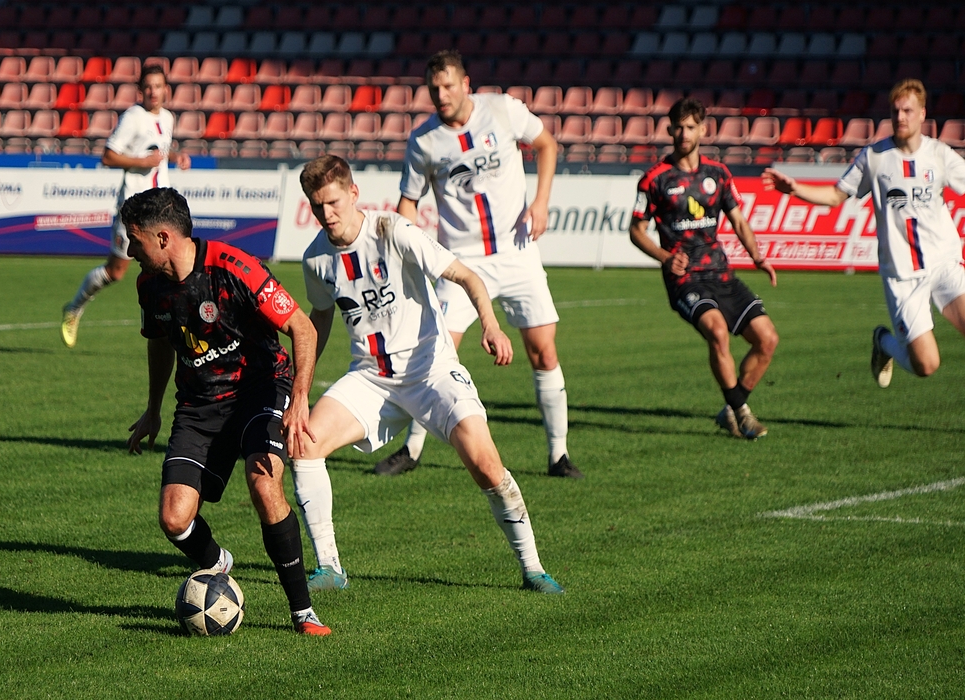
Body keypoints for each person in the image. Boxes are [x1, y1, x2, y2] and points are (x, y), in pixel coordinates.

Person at [291, 155, 565, 595]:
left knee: (486, 465)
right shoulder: (315, 259)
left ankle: (533, 569)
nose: (326, 214)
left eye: (333, 202)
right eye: (317, 205)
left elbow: (466, 276)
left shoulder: (392, 231)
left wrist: (491, 325)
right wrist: (299, 392)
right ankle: (330, 568)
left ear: (354, 193)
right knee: (304, 442)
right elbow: (318, 320)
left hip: (431, 371)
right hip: (371, 378)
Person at [123, 187, 329, 635]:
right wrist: (153, 408)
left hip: (261, 390)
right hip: (199, 404)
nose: (128, 251)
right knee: (174, 518)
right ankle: (218, 563)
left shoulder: (234, 267)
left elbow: (303, 328)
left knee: (264, 483)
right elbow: (159, 343)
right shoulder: (149, 286)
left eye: (134, 240)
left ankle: (303, 613)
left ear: (162, 238)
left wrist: (300, 398)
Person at [373, 49, 582, 479]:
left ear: (466, 84)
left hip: (517, 251)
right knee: (434, 354)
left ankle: (558, 455)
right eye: (434, 89)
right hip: (461, 263)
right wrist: (406, 254)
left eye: (448, 86)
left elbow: (546, 144)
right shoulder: (424, 140)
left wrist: (541, 201)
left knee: (544, 351)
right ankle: (411, 450)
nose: (442, 95)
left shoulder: (502, 110)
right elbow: (408, 203)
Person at [763, 79, 965, 387]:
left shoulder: (939, 154)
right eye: (895, 111)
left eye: (908, 111)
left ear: (923, 113)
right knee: (926, 365)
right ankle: (883, 342)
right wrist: (795, 189)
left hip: (944, 264)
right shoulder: (874, 157)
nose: (900, 117)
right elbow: (835, 196)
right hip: (903, 275)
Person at [630, 97, 779, 439]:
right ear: (669, 130)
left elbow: (739, 221)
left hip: (721, 274)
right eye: (678, 128)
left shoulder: (718, 174)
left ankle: (731, 406)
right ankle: (743, 414)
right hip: (685, 279)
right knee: (717, 331)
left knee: (767, 340)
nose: (684, 134)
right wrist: (665, 257)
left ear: (703, 130)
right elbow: (636, 230)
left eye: (690, 127)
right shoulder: (654, 179)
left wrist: (758, 257)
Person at [61, 64, 191, 348]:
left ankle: (171, 327)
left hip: (161, 208)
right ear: (141, 90)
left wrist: (176, 157)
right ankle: (74, 307)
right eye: (148, 86)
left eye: (158, 86)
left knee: (168, 266)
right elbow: (108, 157)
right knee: (116, 271)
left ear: (166, 89)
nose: (153, 92)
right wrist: (141, 162)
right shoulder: (133, 117)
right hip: (134, 208)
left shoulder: (167, 118)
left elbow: (160, 149)